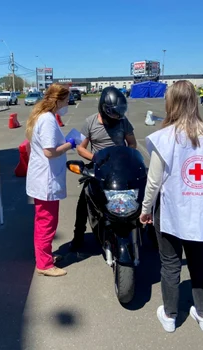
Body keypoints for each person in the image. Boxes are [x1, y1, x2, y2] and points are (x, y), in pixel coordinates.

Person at [139, 81, 203, 333]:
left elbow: (154, 180)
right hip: (200, 210)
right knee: (198, 262)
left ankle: (170, 316)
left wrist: (146, 208)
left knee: (169, 264)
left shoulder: (164, 137)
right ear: (194, 100)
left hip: (170, 211)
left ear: (170, 103)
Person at [69, 86, 137, 251]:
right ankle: (78, 236)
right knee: (84, 201)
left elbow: (132, 143)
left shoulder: (123, 121)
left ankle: (148, 233)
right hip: (99, 167)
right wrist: (95, 158)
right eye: (113, 113)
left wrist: (128, 156)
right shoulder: (90, 122)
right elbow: (81, 148)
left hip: (121, 166)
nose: (116, 117)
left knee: (139, 197)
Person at [26, 83, 77, 277]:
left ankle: (44, 257)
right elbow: (49, 151)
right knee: (46, 222)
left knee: (45, 221)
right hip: (45, 180)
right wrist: (70, 144)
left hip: (43, 178)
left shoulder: (43, 116)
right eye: (66, 100)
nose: (68, 104)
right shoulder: (47, 119)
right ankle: (45, 265)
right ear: (59, 100)